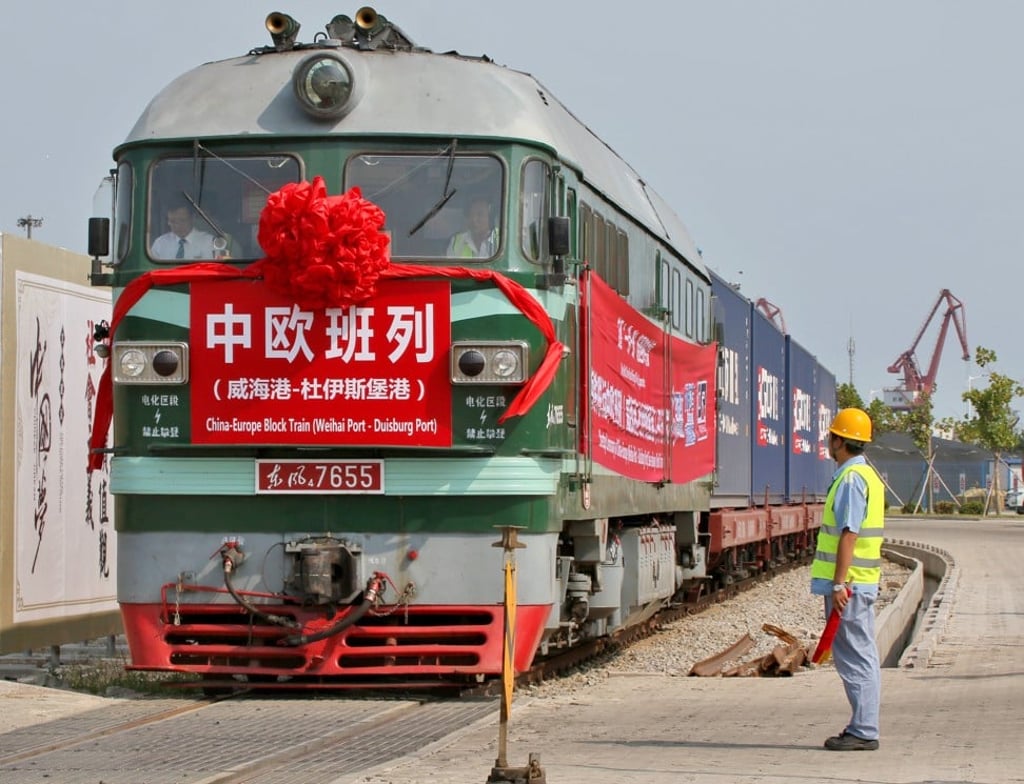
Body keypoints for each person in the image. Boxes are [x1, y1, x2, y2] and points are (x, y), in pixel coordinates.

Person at [811, 407, 885, 751]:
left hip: (850, 586)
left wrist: (839, 584)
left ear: (839, 441)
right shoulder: (867, 475)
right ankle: (863, 726)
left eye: (831, 436)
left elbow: (849, 534)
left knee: (855, 655)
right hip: (861, 581)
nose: (829, 441)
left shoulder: (852, 479)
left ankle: (864, 730)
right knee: (861, 653)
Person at [151, 202, 217, 260]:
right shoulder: (160, 243)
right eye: (173, 221)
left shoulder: (208, 242)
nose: (177, 226)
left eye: (182, 221)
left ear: (193, 218)